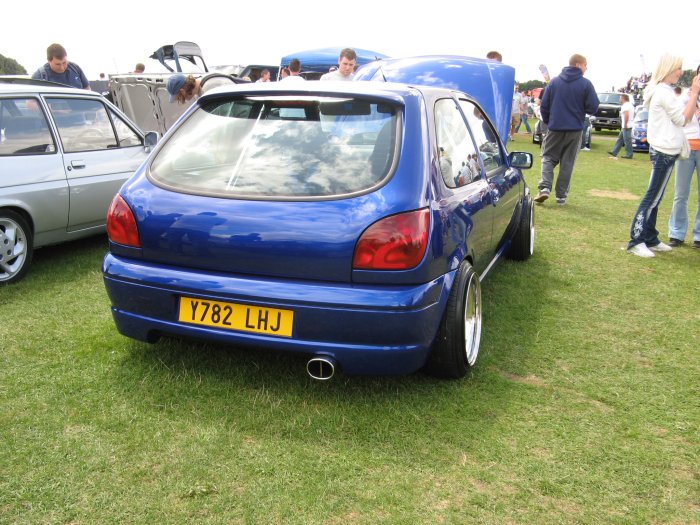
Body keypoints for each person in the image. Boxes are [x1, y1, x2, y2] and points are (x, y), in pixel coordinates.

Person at [626, 54, 700, 257]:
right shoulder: (663, 92)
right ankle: (636, 240)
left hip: (664, 150)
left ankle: (650, 237)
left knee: (656, 198)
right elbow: (683, 119)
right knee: (652, 197)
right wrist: (694, 93)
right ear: (669, 68)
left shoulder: (663, 91)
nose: (681, 72)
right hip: (664, 152)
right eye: (679, 68)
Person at [534, 54, 599, 205]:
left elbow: (544, 106)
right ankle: (561, 196)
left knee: (548, 157)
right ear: (578, 65)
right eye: (585, 65)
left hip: (555, 127)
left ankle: (544, 187)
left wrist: (551, 121)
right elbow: (593, 107)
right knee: (567, 162)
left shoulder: (554, 82)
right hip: (575, 129)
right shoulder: (586, 84)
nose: (586, 68)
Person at [667, 69, 700, 250]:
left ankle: (699, 236)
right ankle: (676, 233)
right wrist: (694, 95)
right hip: (687, 148)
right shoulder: (685, 96)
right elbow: (679, 119)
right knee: (681, 194)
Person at [607, 94, 634, 159]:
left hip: (626, 125)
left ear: (623, 98)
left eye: (620, 98)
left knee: (627, 140)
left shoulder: (625, 106)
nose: (619, 100)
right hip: (627, 124)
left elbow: (626, 114)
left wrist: (625, 123)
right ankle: (614, 151)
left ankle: (629, 154)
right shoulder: (630, 105)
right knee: (620, 139)